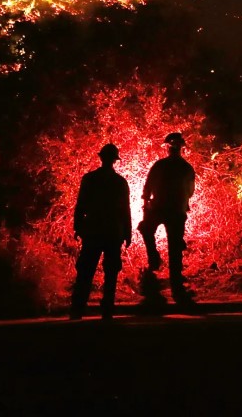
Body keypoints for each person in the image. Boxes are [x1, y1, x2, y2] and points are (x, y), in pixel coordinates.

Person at [70, 142, 132, 320]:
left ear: (102, 158)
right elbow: (125, 210)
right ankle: (107, 309)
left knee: (86, 270)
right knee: (111, 272)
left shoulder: (89, 179)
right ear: (115, 160)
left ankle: (78, 308)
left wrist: (78, 226)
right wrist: (127, 233)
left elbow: (81, 204)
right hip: (113, 232)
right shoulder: (120, 182)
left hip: (94, 231)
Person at [138, 131, 196, 303]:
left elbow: (147, 190)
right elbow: (190, 191)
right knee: (175, 250)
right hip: (176, 211)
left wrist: (148, 206)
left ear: (168, 148)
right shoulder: (186, 167)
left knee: (147, 230)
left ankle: (154, 265)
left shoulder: (160, 165)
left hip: (160, 209)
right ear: (180, 148)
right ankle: (176, 289)